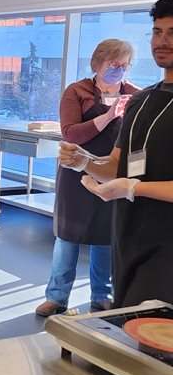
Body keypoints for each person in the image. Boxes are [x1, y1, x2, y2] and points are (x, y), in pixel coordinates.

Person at [60, 0, 173, 308]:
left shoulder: (133, 96)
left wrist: (135, 187)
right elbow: (119, 166)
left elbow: (129, 180)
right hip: (132, 246)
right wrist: (84, 161)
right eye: (158, 32)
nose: (163, 41)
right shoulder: (141, 101)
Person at [35, 39, 139, 317]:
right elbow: (71, 134)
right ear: (97, 64)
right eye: (113, 65)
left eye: (123, 65)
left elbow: (138, 137)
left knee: (106, 236)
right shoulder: (77, 92)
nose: (118, 70)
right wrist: (109, 115)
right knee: (68, 236)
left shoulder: (135, 95)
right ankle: (56, 297)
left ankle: (102, 294)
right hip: (75, 173)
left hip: (112, 173)